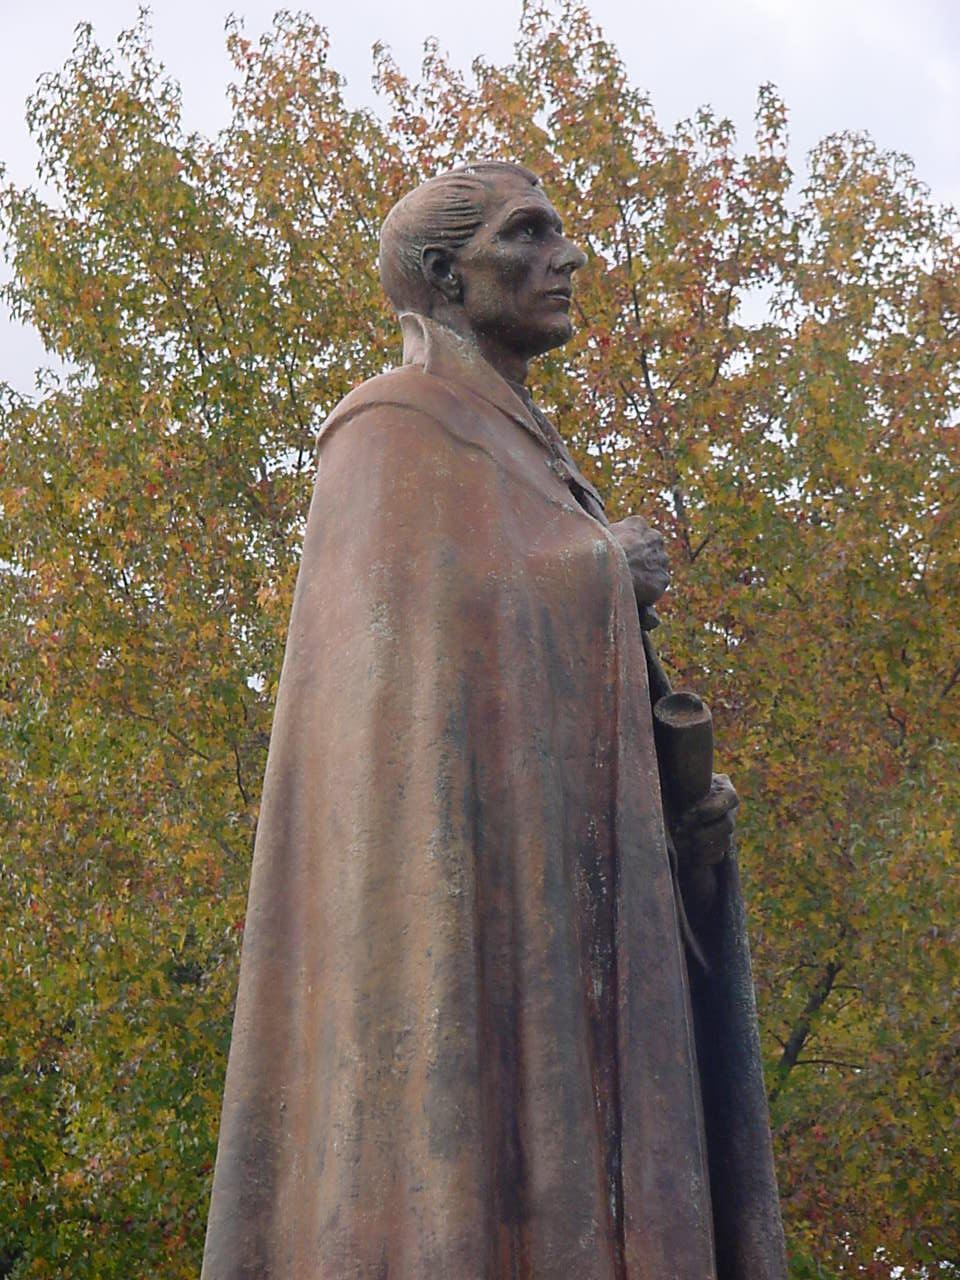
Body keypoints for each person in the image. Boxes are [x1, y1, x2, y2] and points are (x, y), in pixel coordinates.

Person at [202, 161, 787, 1279]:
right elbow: (413, 668)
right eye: (527, 237)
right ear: (443, 277)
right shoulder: (386, 430)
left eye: (559, 233)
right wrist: (600, 568)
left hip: (569, 919)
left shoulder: (534, 455)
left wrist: (682, 822)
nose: (566, 258)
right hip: (456, 931)